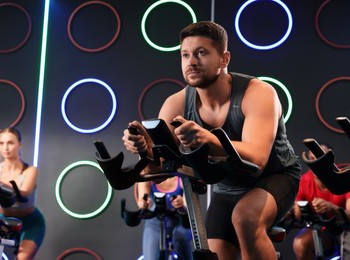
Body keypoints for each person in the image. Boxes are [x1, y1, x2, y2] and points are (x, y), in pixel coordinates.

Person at [122, 21, 301, 259]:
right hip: (226, 186)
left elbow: (257, 159)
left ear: (224, 59)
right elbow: (162, 168)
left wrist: (209, 139)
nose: (191, 61)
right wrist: (144, 151)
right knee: (212, 251)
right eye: (185, 55)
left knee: (245, 218)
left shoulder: (258, 93)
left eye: (201, 53)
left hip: (274, 177)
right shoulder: (175, 103)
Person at [0, 127, 45, 260]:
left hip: (30, 222)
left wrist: (0, 185)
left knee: (22, 258)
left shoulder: (30, 170)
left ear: (19, 144)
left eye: (10, 143)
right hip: (5, 220)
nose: (6, 148)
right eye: (1, 143)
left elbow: (24, 194)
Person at [293, 144, 350, 259]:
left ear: (330, 161)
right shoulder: (305, 181)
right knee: (300, 244)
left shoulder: (344, 179)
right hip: (324, 231)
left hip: (346, 229)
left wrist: (332, 208)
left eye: (319, 158)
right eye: (312, 159)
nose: (315, 163)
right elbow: (297, 214)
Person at [138, 176, 192, 260]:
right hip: (156, 218)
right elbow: (142, 199)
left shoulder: (181, 176)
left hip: (180, 219)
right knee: (150, 257)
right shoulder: (148, 173)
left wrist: (181, 204)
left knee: (180, 237)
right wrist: (143, 203)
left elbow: (187, 205)